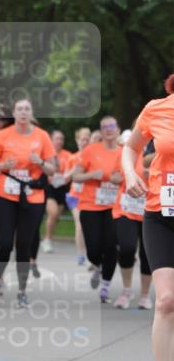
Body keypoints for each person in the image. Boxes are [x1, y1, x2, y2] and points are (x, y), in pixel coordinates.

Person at [122, 75, 174, 361]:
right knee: (167, 300)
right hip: (161, 214)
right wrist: (130, 173)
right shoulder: (157, 109)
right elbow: (131, 147)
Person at [0, 99, 55, 306]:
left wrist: (40, 162)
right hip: (6, 193)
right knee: (5, 242)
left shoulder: (42, 136)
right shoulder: (2, 135)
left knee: (23, 244)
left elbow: (52, 169)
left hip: (32, 195)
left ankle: (22, 290)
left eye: (27, 109)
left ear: (31, 113)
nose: (23, 113)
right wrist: (3, 164)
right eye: (19, 109)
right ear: (14, 114)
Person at [73, 116, 122, 303]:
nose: (108, 129)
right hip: (90, 205)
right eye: (104, 127)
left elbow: (132, 177)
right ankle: (98, 265)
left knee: (111, 247)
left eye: (112, 126)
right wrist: (92, 174)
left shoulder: (124, 152)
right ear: (100, 132)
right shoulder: (90, 151)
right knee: (93, 249)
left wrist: (121, 180)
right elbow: (76, 176)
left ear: (118, 129)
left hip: (115, 207)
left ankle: (105, 286)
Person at [112, 128, 152, 310]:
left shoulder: (160, 152)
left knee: (147, 255)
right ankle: (127, 290)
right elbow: (113, 173)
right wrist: (118, 177)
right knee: (127, 248)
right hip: (125, 209)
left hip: (150, 210)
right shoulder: (126, 150)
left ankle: (145, 294)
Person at [41, 130, 73, 253]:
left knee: (56, 217)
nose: (59, 141)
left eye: (61, 139)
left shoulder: (67, 155)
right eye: (57, 138)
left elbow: (71, 170)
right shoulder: (48, 154)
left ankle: (48, 238)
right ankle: (47, 239)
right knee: (53, 213)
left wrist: (66, 177)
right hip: (50, 187)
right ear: (51, 140)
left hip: (62, 187)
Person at [64, 127, 91, 265]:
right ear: (77, 141)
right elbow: (64, 178)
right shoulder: (72, 158)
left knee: (91, 226)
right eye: (82, 139)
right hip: (75, 196)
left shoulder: (93, 157)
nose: (84, 142)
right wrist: (74, 171)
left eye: (87, 139)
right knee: (80, 224)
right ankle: (81, 254)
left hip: (90, 197)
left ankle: (91, 253)